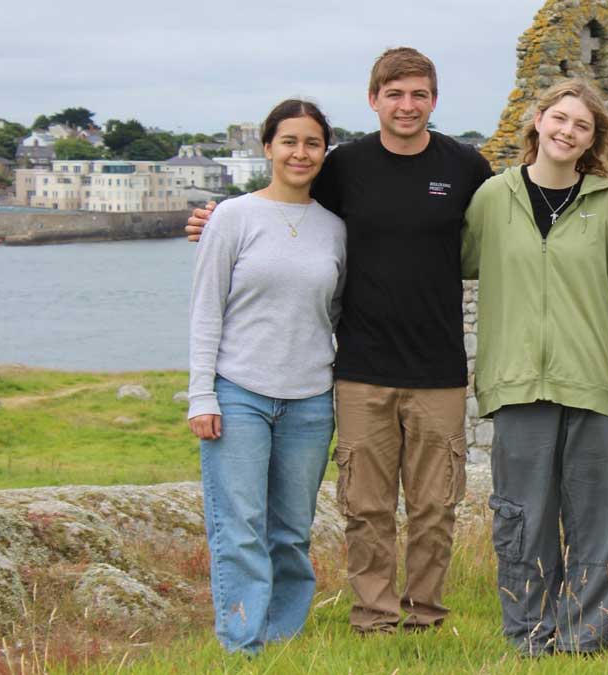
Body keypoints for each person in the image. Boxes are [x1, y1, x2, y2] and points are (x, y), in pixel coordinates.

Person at [186, 48, 493, 635]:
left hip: (440, 368)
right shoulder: (343, 166)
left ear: (434, 99)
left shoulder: (466, 167)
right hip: (359, 369)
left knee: (434, 508)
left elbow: (506, 225)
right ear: (374, 99)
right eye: (395, 94)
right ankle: (374, 619)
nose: (407, 105)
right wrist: (214, 220)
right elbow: (281, 211)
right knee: (366, 507)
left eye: (419, 94)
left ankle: (425, 617)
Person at [461, 79, 608, 656]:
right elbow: (443, 256)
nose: (567, 131)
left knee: (595, 518)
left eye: (581, 125)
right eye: (559, 118)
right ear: (537, 121)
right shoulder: (491, 197)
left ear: (592, 140)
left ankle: (586, 638)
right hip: (514, 384)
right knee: (522, 519)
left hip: (591, 383)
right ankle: (531, 636)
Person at [187, 99, 346, 653]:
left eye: (312, 143)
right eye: (289, 142)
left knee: (291, 534)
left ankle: (282, 637)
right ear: (268, 148)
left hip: (309, 400)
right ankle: (241, 642)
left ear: (324, 152)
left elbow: (338, 312)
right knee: (240, 528)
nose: (300, 153)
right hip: (239, 393)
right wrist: (201, 395)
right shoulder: (232, 217)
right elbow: (207, 310)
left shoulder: (334, 228)